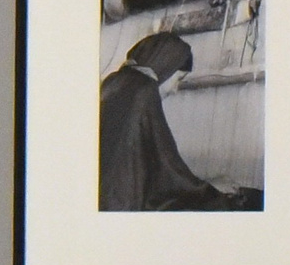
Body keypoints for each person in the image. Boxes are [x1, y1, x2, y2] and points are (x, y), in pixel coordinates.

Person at [99, 31, 261, 211]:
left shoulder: (113, 83)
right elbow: (167, 167)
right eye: (179, 79)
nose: (176, 89)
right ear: (165, 68)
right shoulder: (144, 91)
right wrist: (206, 189)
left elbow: (149, 168)